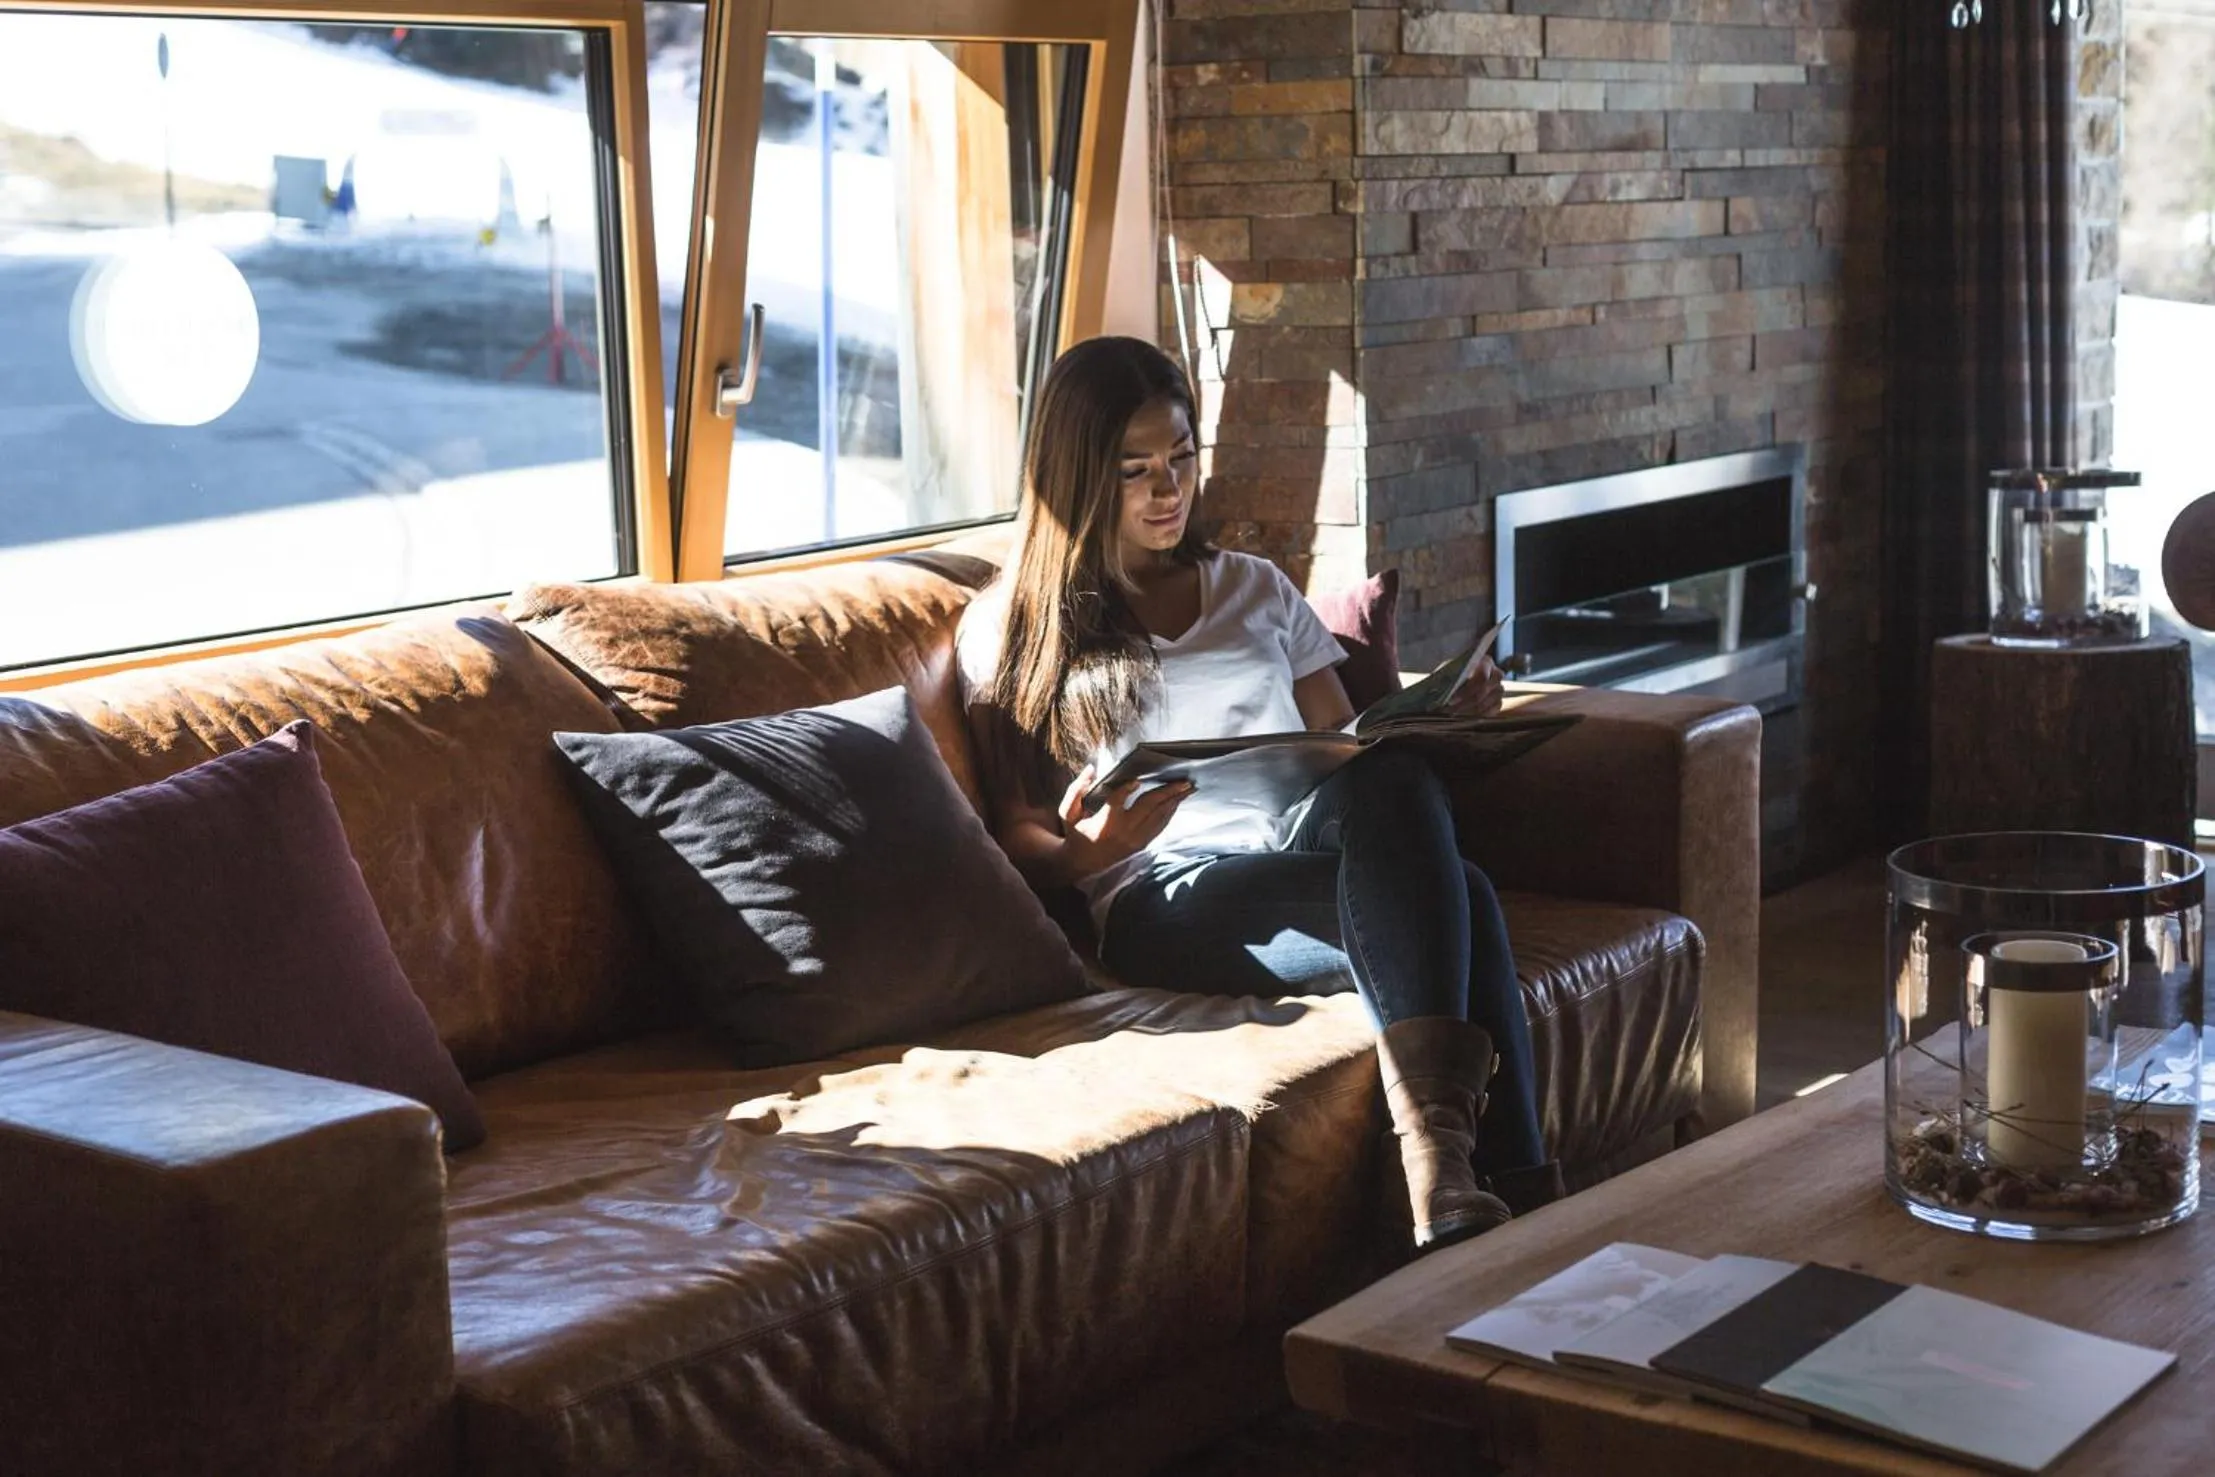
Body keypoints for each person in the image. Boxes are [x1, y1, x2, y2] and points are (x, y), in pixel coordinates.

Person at [956, 336, 1561, 1251]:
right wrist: (1096, 850)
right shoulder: (1014, 625)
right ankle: (1501, 1178)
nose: (1169, 491)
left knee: (1398, 772)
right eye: (1135, 470)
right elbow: (1015, 834)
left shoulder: (1254, 588)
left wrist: (1442, 718)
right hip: (1167, 893)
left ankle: (1447, 1176)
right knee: (1464, 897)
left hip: (1300, 838)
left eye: (1181, 460)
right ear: (1077, 474)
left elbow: (1346, 751)